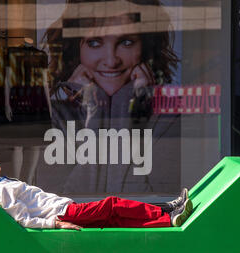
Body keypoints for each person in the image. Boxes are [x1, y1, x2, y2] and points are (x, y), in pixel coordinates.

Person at [38, 0, 182, 195]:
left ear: (146, 48)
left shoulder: (166, 117)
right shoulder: (54, 116)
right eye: (94, 43)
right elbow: (64, 203)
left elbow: (151, 202)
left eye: (126, 42)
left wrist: (124, 106)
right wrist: (96, 112)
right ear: (75, 49)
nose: (111, 60)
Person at [0, 155, 193, 230]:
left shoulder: (2, 184)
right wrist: (55, 224)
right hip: (64, 213)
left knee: (114, 218)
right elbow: (22, 219)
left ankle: (167, 217)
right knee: (112, 205)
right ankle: (170, 210)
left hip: (65, 209)